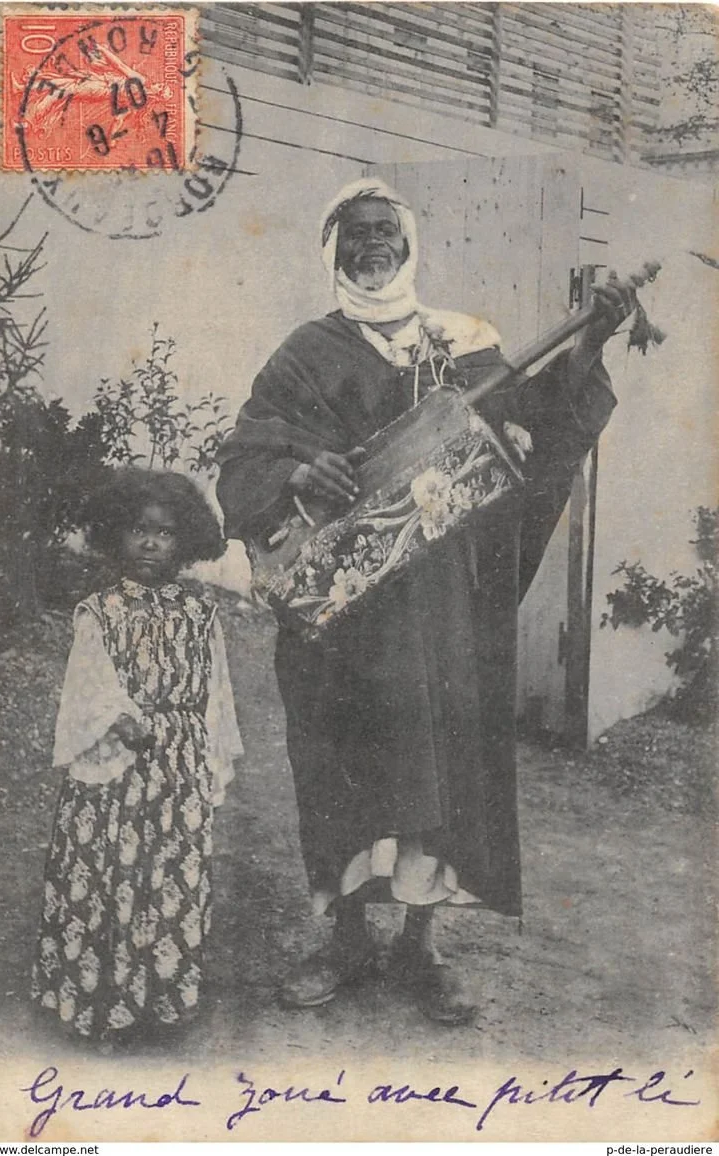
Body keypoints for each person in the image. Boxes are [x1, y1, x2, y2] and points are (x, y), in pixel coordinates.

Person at [216, 178, 636, 1025]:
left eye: (386, 229)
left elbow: (536, 421)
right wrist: (301, 471)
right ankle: (343, 939)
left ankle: (421, 947)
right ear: (333, 248)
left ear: (408, 243)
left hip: (445, 603)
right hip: (344, 616)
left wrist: (591, 342)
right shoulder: (305, 353)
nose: (373, 243)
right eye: (356, 232)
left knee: (442, 765)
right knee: (341, 761)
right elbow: (246, 456)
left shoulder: (465, 342)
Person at [31, 469, 244, 1042]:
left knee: (166, 875)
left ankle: (159, 1000)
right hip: (115, 768)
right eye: (137, 530)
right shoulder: (98, 613)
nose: (150, 544)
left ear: (187, 542)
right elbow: (88, 684)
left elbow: (215, 694)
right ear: (114, 535)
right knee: (110, 872)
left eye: (165, 533)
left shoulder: (201, 616)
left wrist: (204, 758)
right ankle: (98, 996)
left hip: (177, 768)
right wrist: (120, 718)